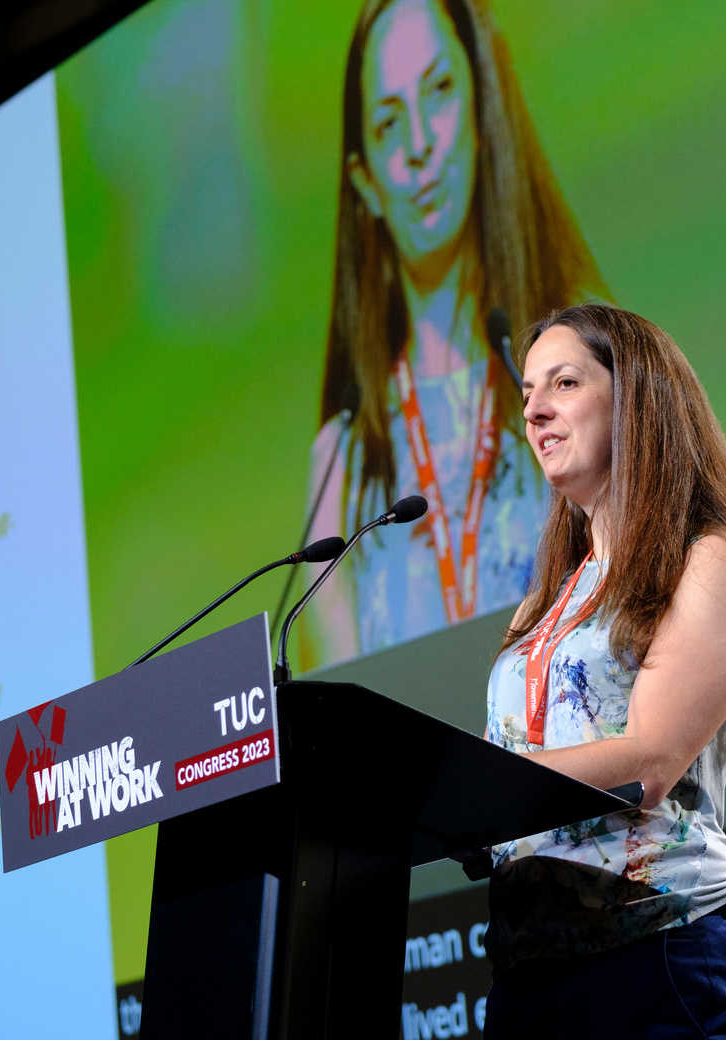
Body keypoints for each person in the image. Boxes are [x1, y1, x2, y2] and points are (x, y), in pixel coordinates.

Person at [481, 304, 726, 1039]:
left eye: (564, 383)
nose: (535, 410)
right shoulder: (540, 605)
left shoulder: (711, 561)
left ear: (636, 397)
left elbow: (651, 758)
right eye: (526, 395)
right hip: (530, 976)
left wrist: (475, 792)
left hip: (660, 958)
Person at [296, 0, 605, 667]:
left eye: (438, 92)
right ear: (366, 181)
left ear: (478, 111)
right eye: (386, 122)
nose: (418, 144)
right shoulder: (341, 465)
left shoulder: (587, 384)